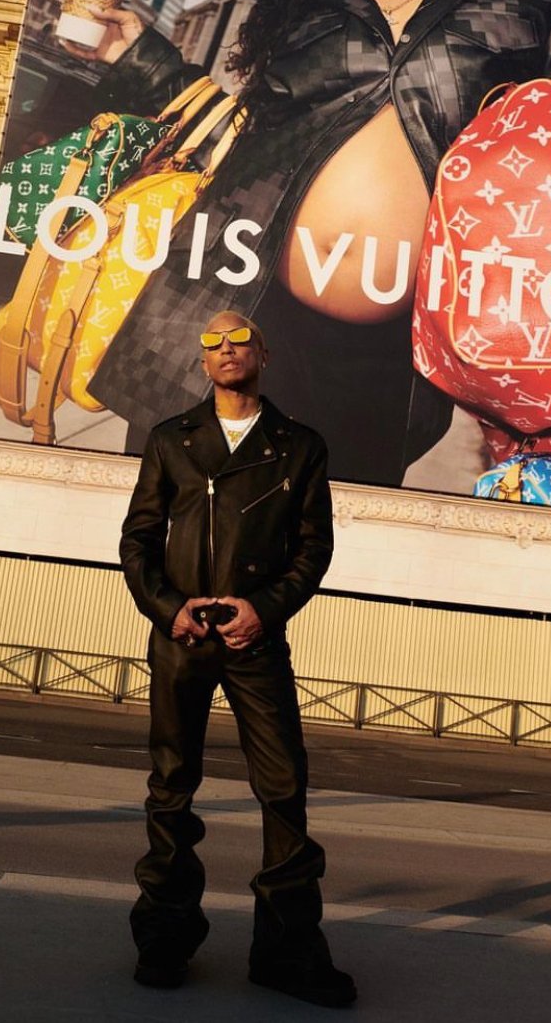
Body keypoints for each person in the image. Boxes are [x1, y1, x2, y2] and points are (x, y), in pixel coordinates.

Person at [65, 0, 551, 484]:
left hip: (385, 352)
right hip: (245, 307)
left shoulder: (527, 9)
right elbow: (245, 143)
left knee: (318, 548)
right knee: (184, 527)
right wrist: (140, 58)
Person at [119, 310, 356, 1008]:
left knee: (283, 787)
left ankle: (286, 950)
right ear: (201, 362)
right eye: (212, 343)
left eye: (239, 339)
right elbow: (137, 541)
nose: (226, 349)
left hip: (256, 639)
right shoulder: (171, 440)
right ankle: (163, 937)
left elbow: (314, 549)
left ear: (264, 352)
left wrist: (266, 606)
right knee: (171, 785)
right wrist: (170, 607)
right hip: (182, 638)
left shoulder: (299, 446)